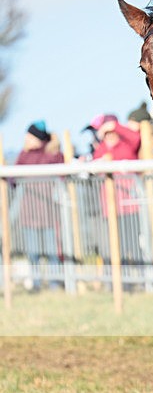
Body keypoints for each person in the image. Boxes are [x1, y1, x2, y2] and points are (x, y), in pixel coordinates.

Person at [85, 113, 143, 267]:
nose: (110, 136)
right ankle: (124, 282)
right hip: (110, 208)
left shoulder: (127, 145)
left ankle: (143, 278)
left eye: (112, 132)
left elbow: (136, 138)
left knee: (134, 245)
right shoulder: (101, 150)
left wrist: (114, 126)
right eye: (107, 132)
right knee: (117, 246)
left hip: (130, 207)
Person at [15, 121, 64, 291]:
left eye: (29, 136)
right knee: (32, 252)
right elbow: (13, 180)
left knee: (52, 251)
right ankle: (35, 284)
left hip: (48, 213)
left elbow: (60, 167)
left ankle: (54, 283)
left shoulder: (51, 153)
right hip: (29, 213)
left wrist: (54, 142)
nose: (26, 139)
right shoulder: (23, 155)